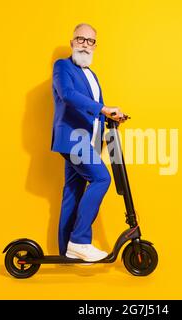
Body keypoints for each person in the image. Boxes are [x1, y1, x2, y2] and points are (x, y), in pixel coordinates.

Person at [51, 23, 127, 262]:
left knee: (73, 191)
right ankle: (80, 241)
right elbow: (68, 95)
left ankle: (67, 251)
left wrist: (112, 117)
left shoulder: (92, 76)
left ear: (95, 46)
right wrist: (104, 108)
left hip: (89, 141)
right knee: (101, 178)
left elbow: (95, 111)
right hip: (73, 139)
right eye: (80, 39)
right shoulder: (62, 66)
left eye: (90, 40)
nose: (85, 44)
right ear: (72, 42)